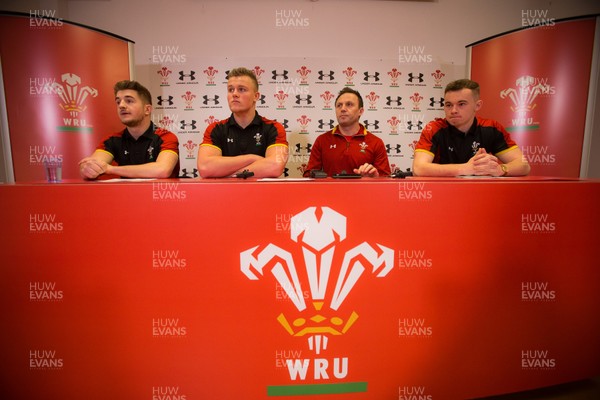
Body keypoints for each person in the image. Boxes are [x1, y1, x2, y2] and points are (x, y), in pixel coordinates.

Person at [413, 79, 530, 177]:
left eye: (461, 104)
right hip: (441, 193)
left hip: (478, 193)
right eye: (448, 105)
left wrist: (500, 169)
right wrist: (466, 169)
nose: (453, 110)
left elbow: (524, 165)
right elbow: (418, 169)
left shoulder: (492, 128)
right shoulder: (433, 129)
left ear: (477, 105)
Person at [197, 67, 288, 178]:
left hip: (262, 194)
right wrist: (252, 158)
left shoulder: (273, 128)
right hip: (225, 194)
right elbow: (205, 168)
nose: (234, 94)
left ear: (256, 96)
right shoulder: (215, 129)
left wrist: (229, 174)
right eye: (230, 89)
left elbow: (275, 166)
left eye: (241, 89)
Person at [78, 80, 179, 179]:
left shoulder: (165, 137)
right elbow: (92, 166)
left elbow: (162, 170)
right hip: (125, 195)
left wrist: (110, 169)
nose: (121, 106)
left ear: (147, 109)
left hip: (160, 194)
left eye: (129, 101)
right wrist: (87, 168)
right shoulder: (112, 140)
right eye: (118, 102)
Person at [303, 87, 391, 177]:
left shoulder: (376, 142)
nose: (343, 109)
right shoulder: (322, 140)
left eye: (349, 104)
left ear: (360, 111)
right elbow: (309, 177)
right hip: (330, 191)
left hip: (363, 191)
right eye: (339, 105)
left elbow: (386, 179)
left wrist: (374, 177)